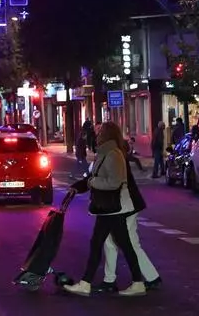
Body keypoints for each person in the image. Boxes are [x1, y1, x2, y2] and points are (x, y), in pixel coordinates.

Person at [63, 122, 146, 297]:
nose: (97, 134)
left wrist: (93, 183)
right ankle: (137, 282)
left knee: (102, 243)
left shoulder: (113, 154)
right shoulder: (105, 153)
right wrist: (79, 186)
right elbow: (96, 176)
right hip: (108, 208)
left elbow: (115, 182)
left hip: (113, 207)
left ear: (107, 134)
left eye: (101, 132)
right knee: (118, 244)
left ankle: (87, 283)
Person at [98, 140, 161, 293]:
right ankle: (110, 279)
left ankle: (147, 277)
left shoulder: (114, 157)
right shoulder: (115, 155)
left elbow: (113, 183)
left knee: (125, 242)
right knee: (112, 241)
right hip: (121, 206)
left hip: (124, 207)